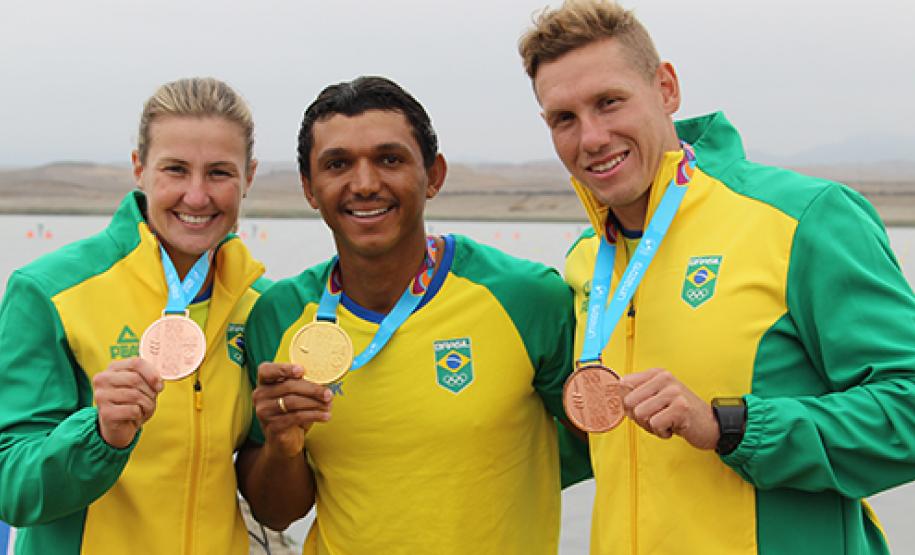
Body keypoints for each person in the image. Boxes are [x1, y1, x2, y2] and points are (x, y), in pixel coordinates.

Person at [518, 2, 915, 554]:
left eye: (609, 103)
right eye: (564, 118)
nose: (591, 138)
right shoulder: (588, 258)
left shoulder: (805, 218)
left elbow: (908, 407)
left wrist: (730, 425)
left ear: (666, 88)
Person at [236, 76, 575, 554]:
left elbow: (600, 445)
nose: (366, 184)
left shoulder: (527, 298)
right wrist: (281, 447)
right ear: (310, 189)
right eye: (338, 165)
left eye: (389, 159)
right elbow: (275, 511)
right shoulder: (280, 314)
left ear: (433, 175)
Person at [0, 77, 270, 554]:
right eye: (175, 170)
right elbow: (11, 488)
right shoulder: (49, 292)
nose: (196, 195)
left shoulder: (258, 303)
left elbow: (262, 471)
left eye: (220, 173)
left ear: (249, 176)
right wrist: (99, 435)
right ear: (139, 169)